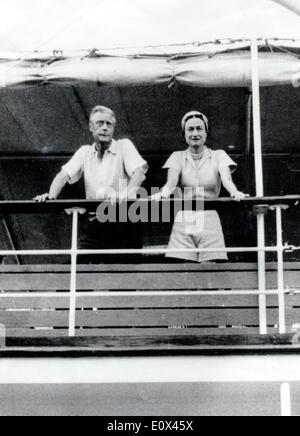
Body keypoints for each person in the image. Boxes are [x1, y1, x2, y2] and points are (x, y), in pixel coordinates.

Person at [34, 105, 148, 263]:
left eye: (109, 124)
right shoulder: (85, 152)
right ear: (90, 127)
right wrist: (51, 195)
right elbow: (63, 176)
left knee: (123, 278)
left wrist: (124, 196)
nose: (104, 128)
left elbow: (139, 174)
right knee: (77, 266)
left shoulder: (124, 146)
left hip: (125, 220)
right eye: (100, 123)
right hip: (98, 221)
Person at [152, 111, 248, 263]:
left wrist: (235, 192)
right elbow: (171, 181)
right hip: (185, 216)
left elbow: (227, 180)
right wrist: (163, 193)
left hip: (209, 215)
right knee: (182, 268)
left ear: (206, 132)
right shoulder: (177, 156)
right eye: (190, 129)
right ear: (184, 134)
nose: (195, 133)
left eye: (199, 128)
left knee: (212, 268)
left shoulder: (219, 155)